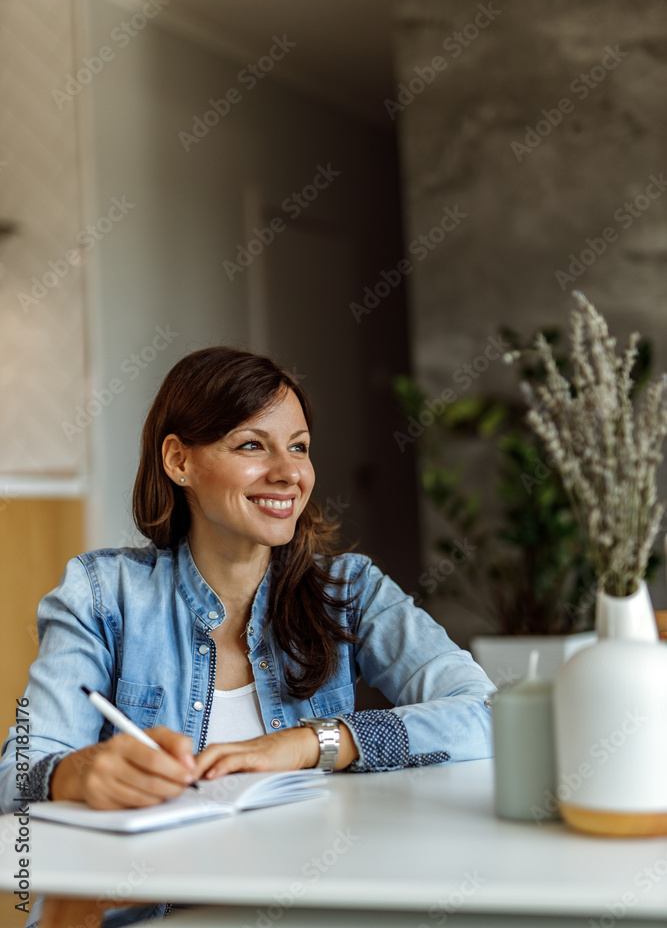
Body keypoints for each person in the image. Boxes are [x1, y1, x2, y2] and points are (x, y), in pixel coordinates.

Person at [0, 346, 495, 924]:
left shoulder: (350, 590)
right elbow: (17, 773)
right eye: (252, 445)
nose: (289, 472)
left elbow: (485, 710)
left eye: (300, 447)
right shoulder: (101, 594)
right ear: (179, 461)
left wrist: (311, 743)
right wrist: (78, 774)